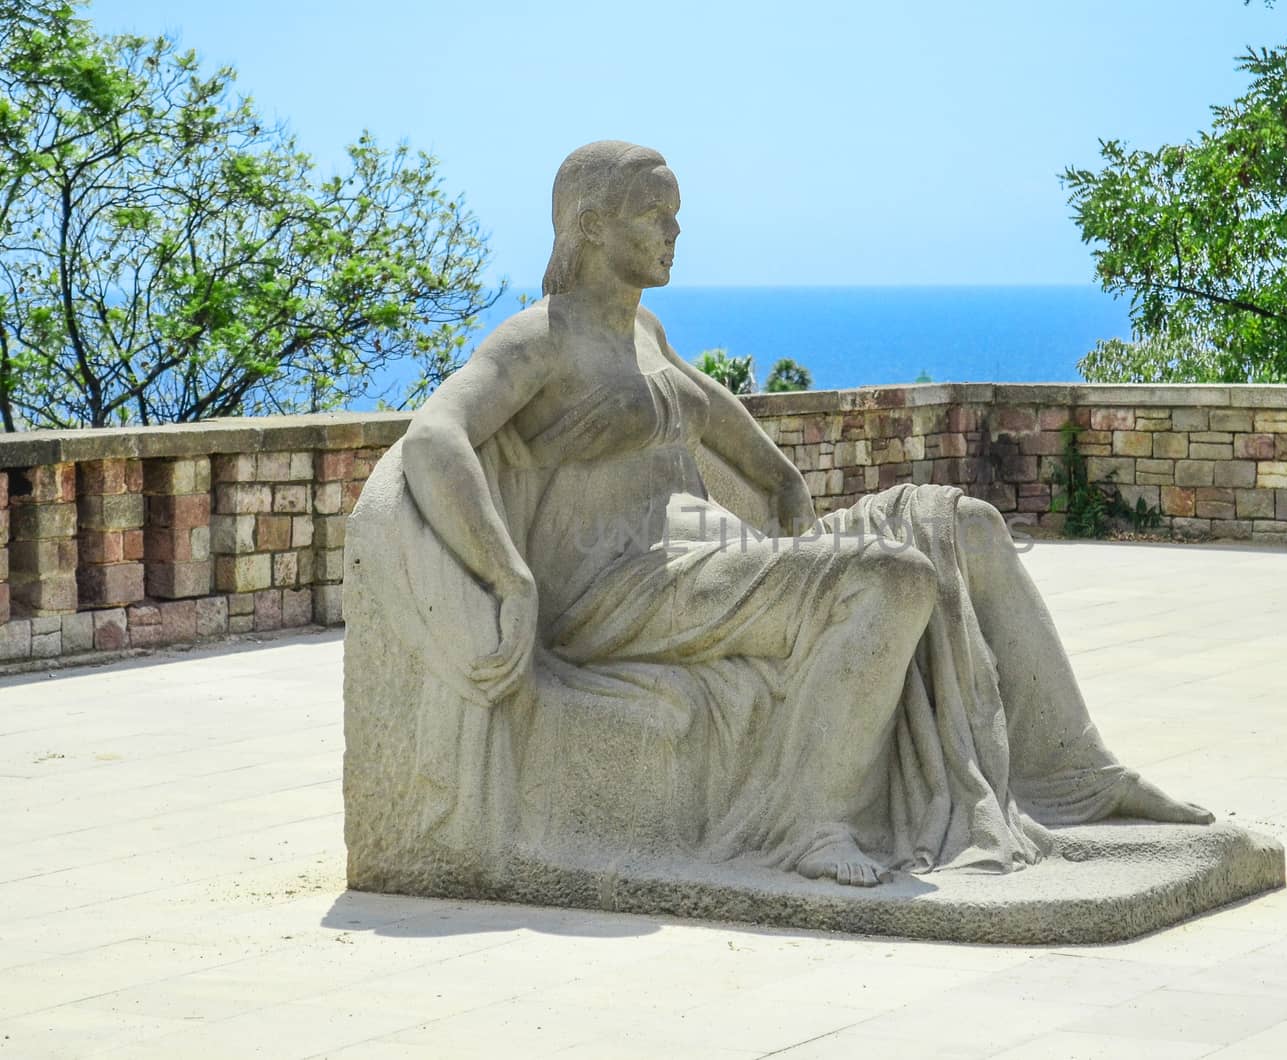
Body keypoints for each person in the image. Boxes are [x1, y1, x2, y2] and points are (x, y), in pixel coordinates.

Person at [353, 140, 1210, 890]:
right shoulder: (538, 339)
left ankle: (1079, 772)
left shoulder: (643, 328)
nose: (674, 232)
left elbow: (707, 404)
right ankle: (812, 825)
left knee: (963, 523)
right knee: (892, 579)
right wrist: (507, 574)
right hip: (619, 590)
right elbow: (435, 439)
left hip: (703, 558)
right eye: (654, 214)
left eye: (675, 214)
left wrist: (788, 487)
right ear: (586, 225)